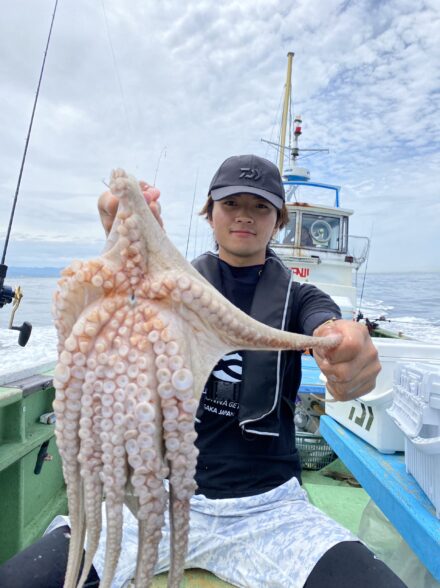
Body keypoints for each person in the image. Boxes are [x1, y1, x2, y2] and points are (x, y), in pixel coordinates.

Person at [0, 155, 405, 588]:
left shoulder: (300, 297)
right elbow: (123, 288)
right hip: (160, 500)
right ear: (210, 213)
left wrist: (342, 340)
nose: (245, 215)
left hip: (269, 511)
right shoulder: (170, 287)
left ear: (278, 221)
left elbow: (327, 325)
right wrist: (123, 229)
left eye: (261, 206)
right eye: (232, 204)